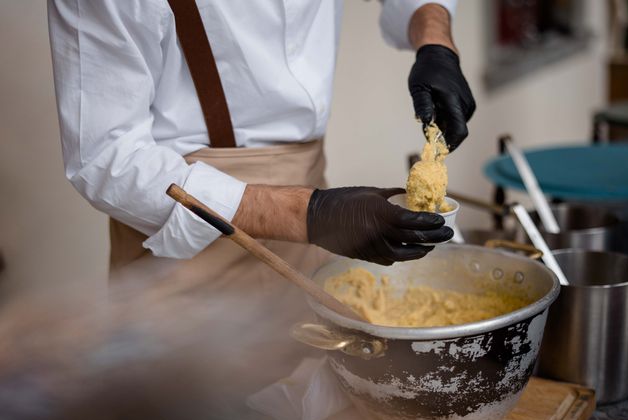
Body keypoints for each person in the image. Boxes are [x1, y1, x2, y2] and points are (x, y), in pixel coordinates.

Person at [48, 0, 475, 279]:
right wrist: (313, 214)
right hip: (183, 254)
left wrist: (435, 40)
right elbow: (106, 159)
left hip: (309, 207)